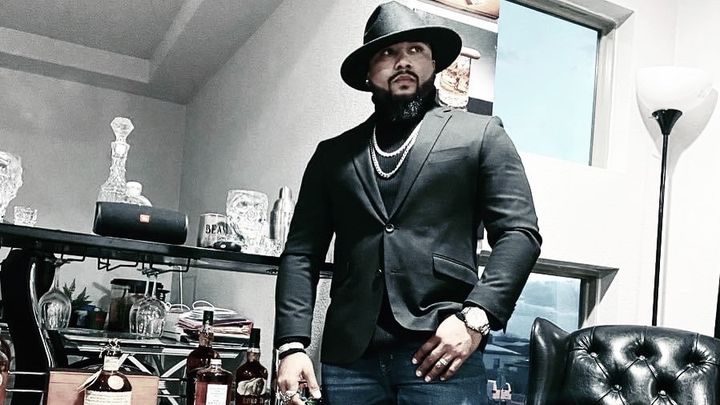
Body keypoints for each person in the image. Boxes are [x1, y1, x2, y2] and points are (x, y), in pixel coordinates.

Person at [273, 2, 541, 404]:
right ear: (368, 72)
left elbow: (519, 234)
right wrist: (291, 345)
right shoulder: (333, 156)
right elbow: (301, 252)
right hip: (350, 359)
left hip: (443, 348)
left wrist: (475, 318)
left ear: (434, 64)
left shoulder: (481, 134)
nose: (403, 61)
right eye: (387, 52)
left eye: (415, 50)